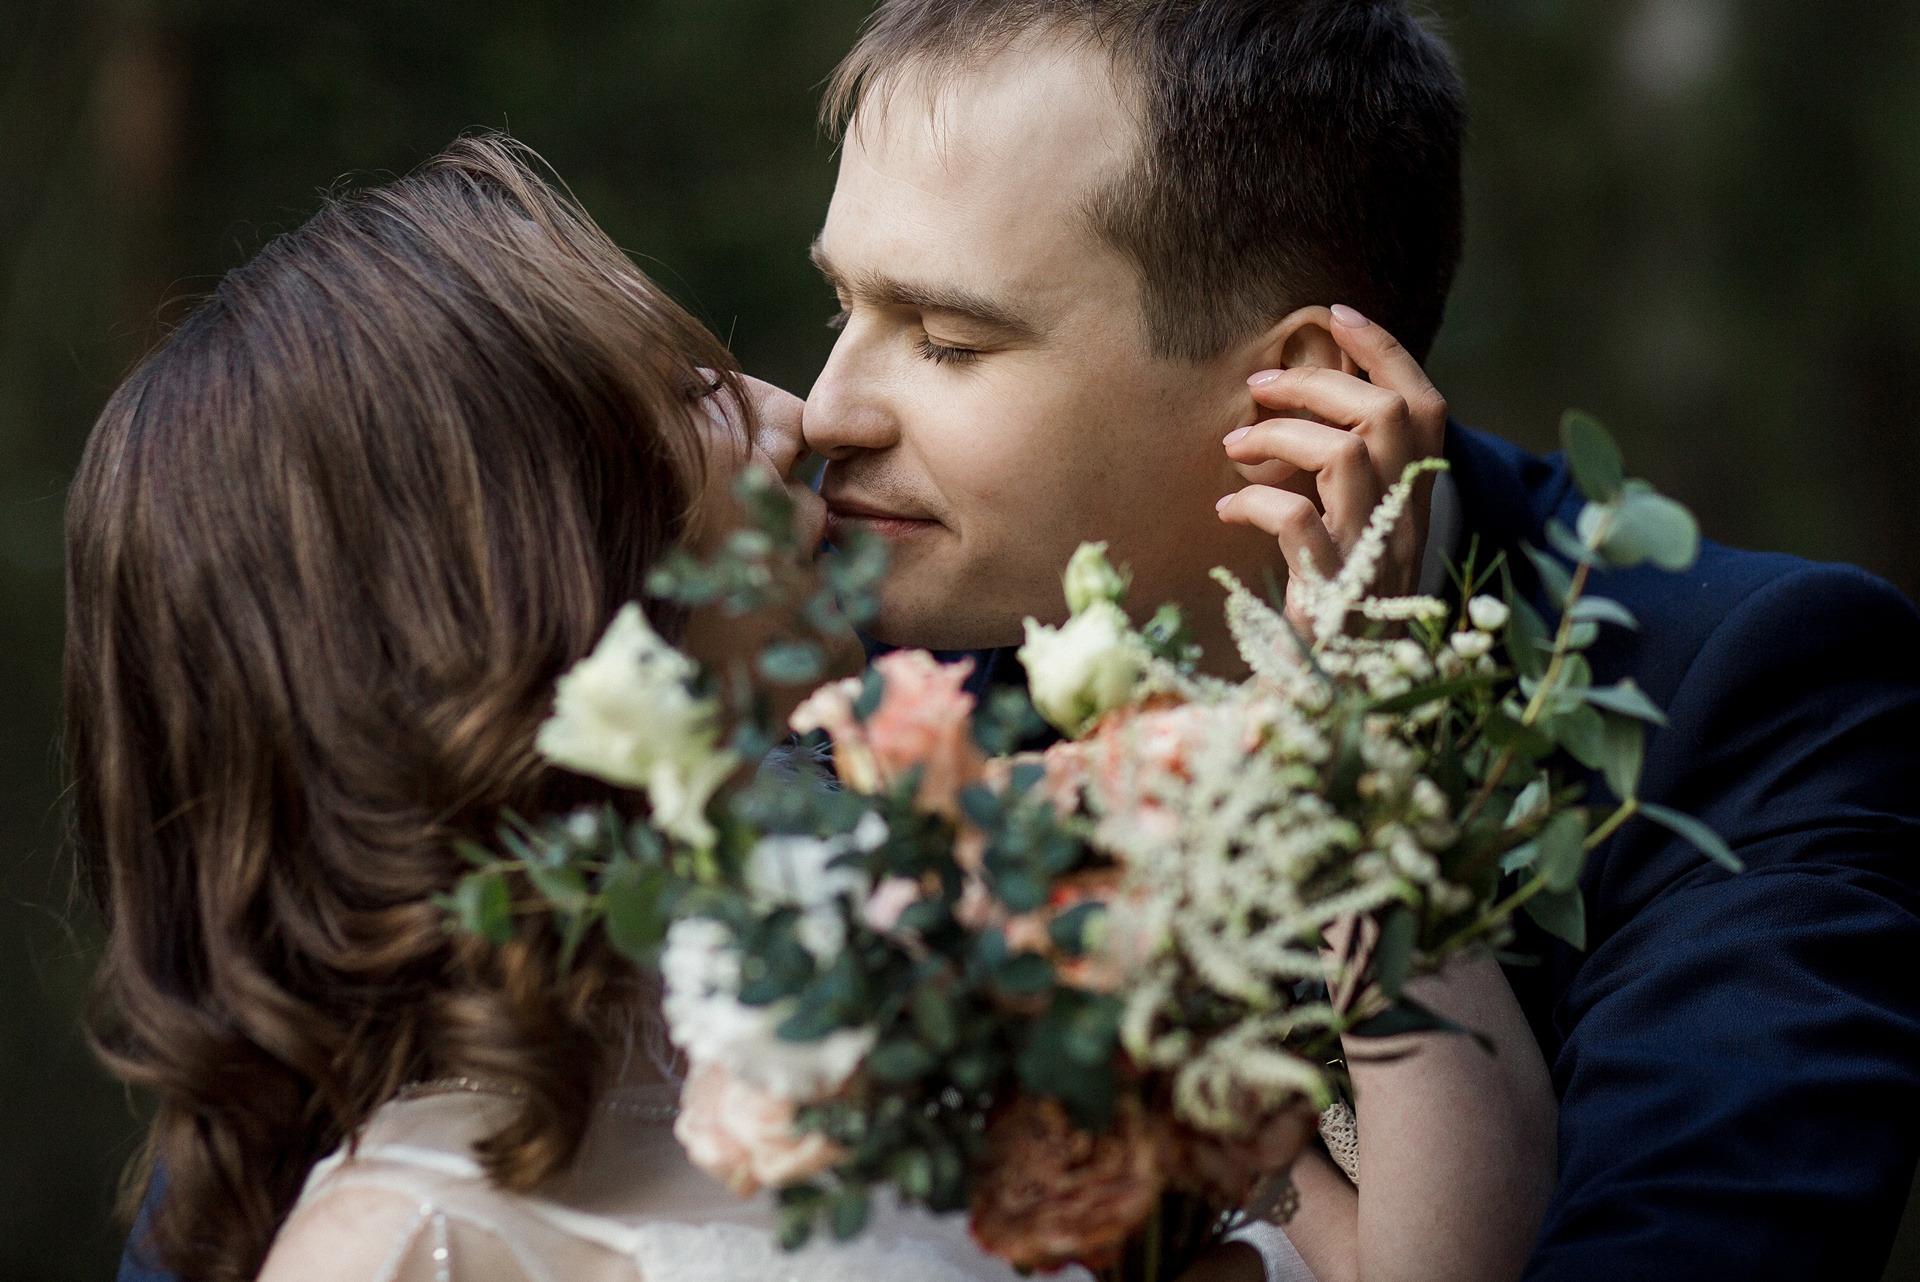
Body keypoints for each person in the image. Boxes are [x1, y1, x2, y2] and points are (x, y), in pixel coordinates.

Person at [800, 3, 1920, 1281]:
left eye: (948, 340)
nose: (828, 409)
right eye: (838, 302)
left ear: (1297, 384)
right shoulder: (868, 699)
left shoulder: (1748, 693)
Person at [77, 136, 1082, 1282]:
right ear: (527, 556)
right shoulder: (394, 1233)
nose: (796, 413)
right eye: (694, 392)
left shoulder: (900, 883)